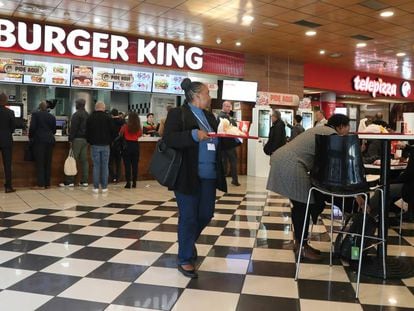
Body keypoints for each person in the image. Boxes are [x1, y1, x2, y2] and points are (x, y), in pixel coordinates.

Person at [163, 78, 236, 278]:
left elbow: (219, 140)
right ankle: (185, 258)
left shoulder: (209, 115)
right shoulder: (179, 114)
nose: (210, 97)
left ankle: (186, 244)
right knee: (188, 217)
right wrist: (193, 135)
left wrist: (236, 136)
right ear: (196, 96)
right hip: (187, 174)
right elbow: (169, 138)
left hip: (209, 175)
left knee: (206, 214)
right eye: (207, 93)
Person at [267, 114, 350, 261]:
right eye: (347, 127)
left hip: (283, 159)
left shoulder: (319, 130)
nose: (348, 131)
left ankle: (300, 244)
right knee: (302, 206)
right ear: (341, 126)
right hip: (292, 164)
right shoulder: (332, 134)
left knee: (301, 206)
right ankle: (302, 247)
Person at [86, 101, 116, 193]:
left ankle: (95, 187)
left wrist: (90, 142)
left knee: (96, 166)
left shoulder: (90, 117)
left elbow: (87, 132)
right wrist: (110, 141)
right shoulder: (108, 117)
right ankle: (104, 187)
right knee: (105, 165)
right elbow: (113, 132)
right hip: (106, 145)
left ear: (95, 108)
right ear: (103, 108)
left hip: (94, 145)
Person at [60, 98, 89, 187]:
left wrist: (70, 139)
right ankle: (84, 181)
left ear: (78, 105)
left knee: (72, 159)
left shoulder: (76, 115)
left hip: (77, 139)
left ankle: (70, 181)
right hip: (85, 140)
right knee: (84, 160)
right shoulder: (87, 115)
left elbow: (74, 129)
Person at [29, 101, 56, 189]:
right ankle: (47, 183)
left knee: (40, 162)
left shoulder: (35, 115)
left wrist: (31, 137)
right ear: (47, 107)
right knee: (48, 162)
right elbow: (54, 130)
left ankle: (41, 184)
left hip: (39, 141)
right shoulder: (52, 116)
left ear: (39, 107)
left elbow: (32, 128)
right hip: (50, 140)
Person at [217, 101, 240, 186]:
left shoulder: (220, 116)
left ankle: (223, 179)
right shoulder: (224, 117)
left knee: (224, 162)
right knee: (233, 161)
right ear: (223, 106)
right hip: (229, 143)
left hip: (222, 144)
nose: (229, 108)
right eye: (227, 106)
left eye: (230, 107)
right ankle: (234, 180)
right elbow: (233, 126)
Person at [120, 112, 142, 189]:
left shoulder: (125, 126)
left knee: (127, 165)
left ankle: (128, 183)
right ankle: (134, 182)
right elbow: (140, 135)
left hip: (127, 146)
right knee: (135, 165)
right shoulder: (138, 127)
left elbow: (120, 134)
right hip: (135, 146)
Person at [0, 93, 16, 193]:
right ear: (5, 101)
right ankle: (8, 187)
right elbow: (13, 128)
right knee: (7, 164)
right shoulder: (10, 112)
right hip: (6, 140)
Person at [109, 108, 125, 183]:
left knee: (110, 162)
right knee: (118, 162)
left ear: (111, 114)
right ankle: (118, 178)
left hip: (111, 144)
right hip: (120, 144)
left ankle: (113, 177)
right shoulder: (122, 121)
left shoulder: (109, 121)